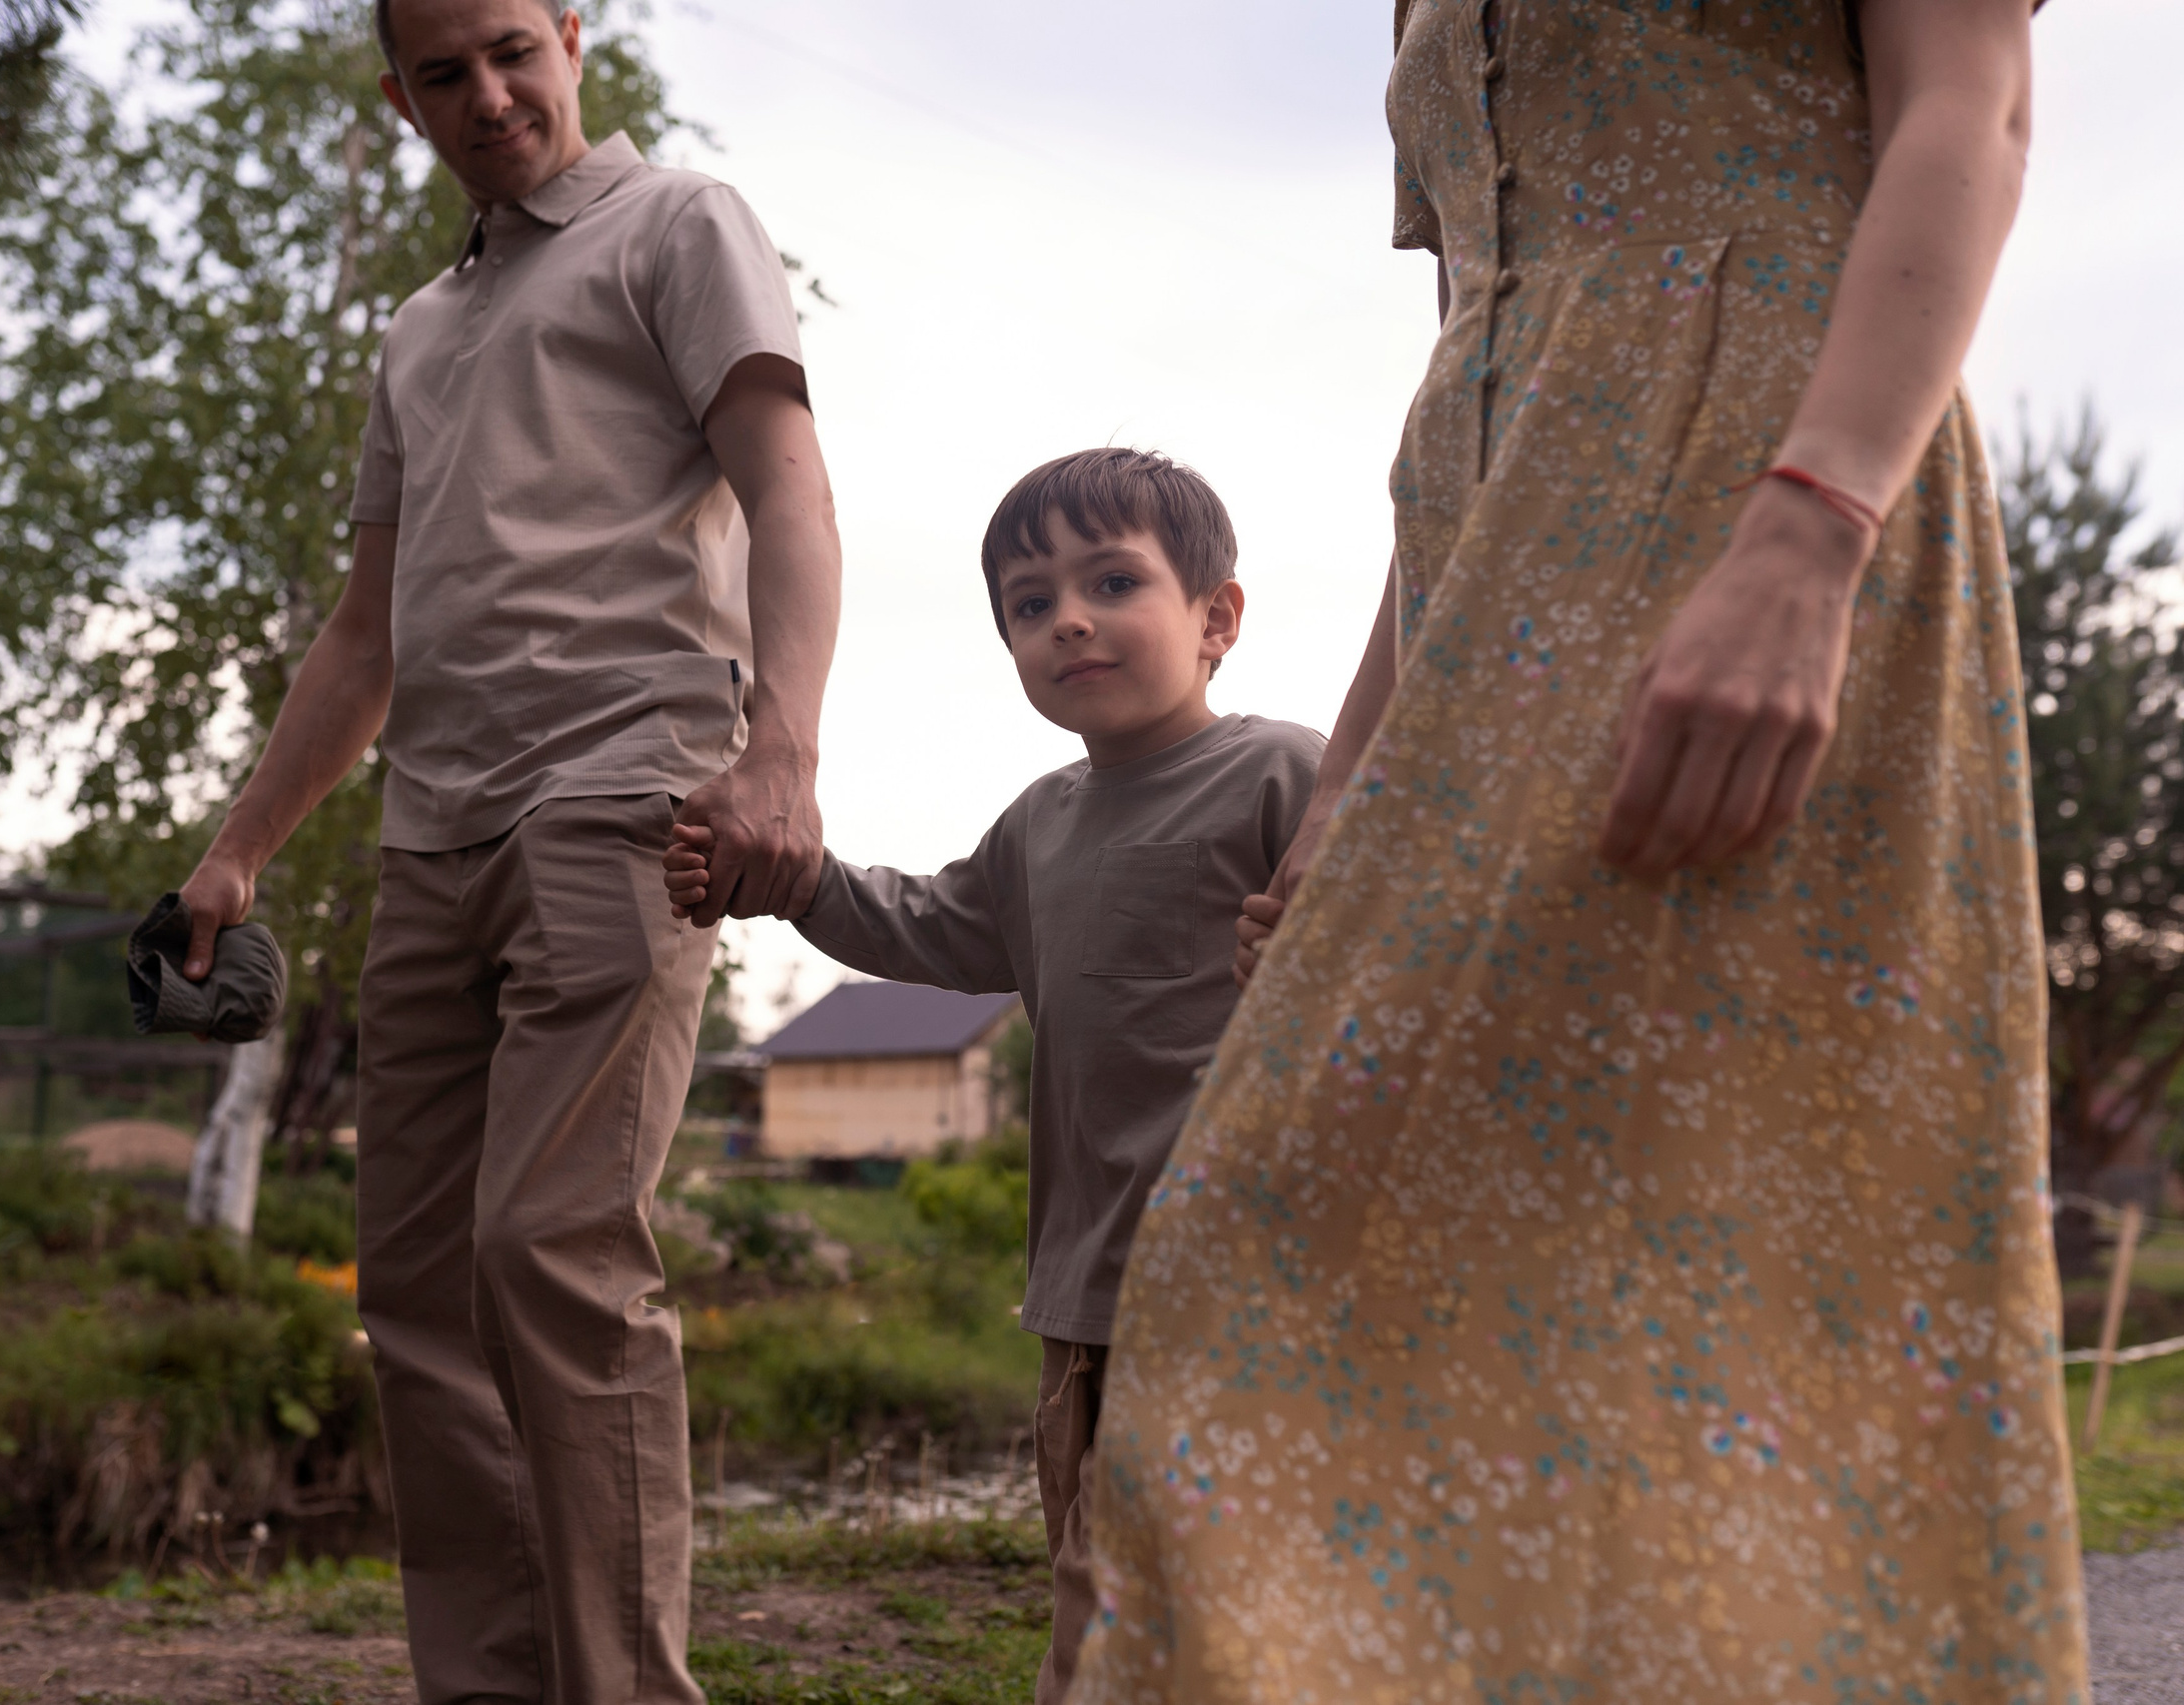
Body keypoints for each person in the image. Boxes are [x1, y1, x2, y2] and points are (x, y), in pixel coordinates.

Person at [1075, 2, 2085, 1700]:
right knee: (1281, 1267)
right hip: (1502, 608)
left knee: (1745, 1298)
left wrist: (1814, 530)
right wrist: (1354, 775)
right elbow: (1487, 361)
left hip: (1763, 546)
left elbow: (1967, 114)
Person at [172, 0, 841, 1697]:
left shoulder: (678, 226)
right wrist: (240, 853)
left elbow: (787, 489)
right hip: (434, 829)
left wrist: (781, 746)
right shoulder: (418, 330)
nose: (489, 96)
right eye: (445, 74)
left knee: (550, 1244)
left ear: (569, 39)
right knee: (413, 1287)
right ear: (402, 100)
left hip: (626, 792)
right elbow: (361, 637)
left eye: (512, 50)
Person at [664, 448, 1324, 1705]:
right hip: (1086, 1304)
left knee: (1231, 1619)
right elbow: (927, 927)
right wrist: (794, 880)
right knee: (1101, 1600)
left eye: (1112, 581)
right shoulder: (1040, 823)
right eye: (1028, 604)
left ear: (1216, 618)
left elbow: (1408, 945)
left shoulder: (1290, 778)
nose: (1066, 617)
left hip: (1257, 1295)